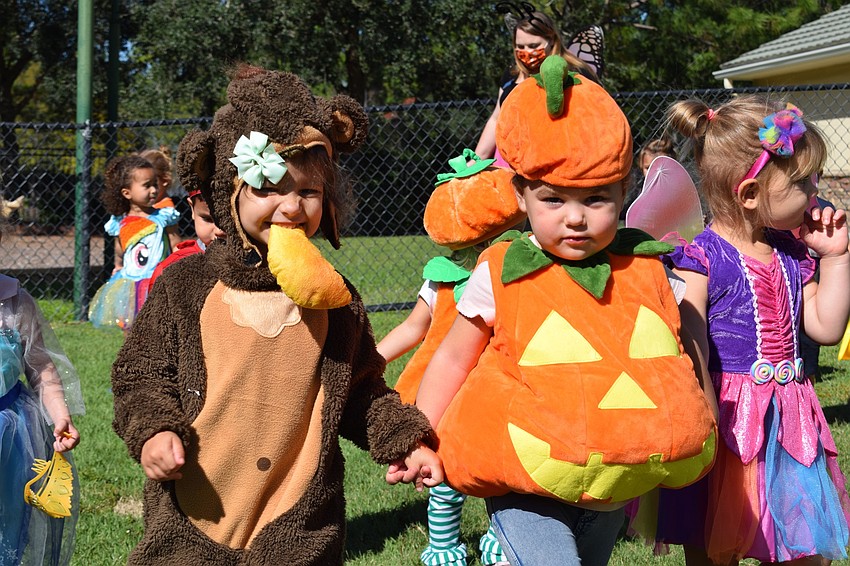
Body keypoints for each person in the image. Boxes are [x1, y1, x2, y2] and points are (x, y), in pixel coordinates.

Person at [110, 64, 442, 565]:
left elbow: (361, 390)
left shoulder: (338, 301)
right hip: (194, 515)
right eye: (267, 187)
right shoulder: (184, 287)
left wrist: (404, 439)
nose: (290, 206)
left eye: (307, 192)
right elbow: (140, 375)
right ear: (229, 195)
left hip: (297, 526)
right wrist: (154, 429)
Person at [416, 56, 717, 566]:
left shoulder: (644, 269)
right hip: (524, 480)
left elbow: (683, 348)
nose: (575, 218)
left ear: (624, 190)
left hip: (613, 477)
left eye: (596, 198)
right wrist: (418, 437)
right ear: (521, 194)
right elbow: (451, 360)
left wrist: (704, 414)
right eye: (553, 199)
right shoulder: (503, 270)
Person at [653, 96, 850, 564]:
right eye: (803, 181)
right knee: (714, 543)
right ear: (749, 194)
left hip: (790, 423)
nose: (816, 189)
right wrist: (700, 409)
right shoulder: (700, 258)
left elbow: (825, 326)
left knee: (803, 544)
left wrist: (837, 256)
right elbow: (690, 341)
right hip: (726, 423)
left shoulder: (791, 252)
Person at [377, 149, 525, 566]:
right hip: (446, 388)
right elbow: (414, 327)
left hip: (498, 385)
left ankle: (503, 537)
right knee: (442, 470)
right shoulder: (441, 276)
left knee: (501, 466)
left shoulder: (516, 265)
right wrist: (370, 359)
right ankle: (444, 544)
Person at [0, 269, 84, 565]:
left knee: (8, 519)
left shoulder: (13, 302)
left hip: (8, 434)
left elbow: (40, 368)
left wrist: (60, 414)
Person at [473, 11, 598, 164]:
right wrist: (475, 162)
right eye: (520, 46)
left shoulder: (576, 72)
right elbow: (496, 118)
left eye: (533, 45)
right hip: (508, 160)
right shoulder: (511, 74)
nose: (527, 51)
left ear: (551, 40)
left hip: (556, 159)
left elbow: (590, 119)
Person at [88, 155, 180, 330]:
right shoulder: (120, 222)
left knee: (158, 324)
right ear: (127, 193)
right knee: (129, 324)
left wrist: (177, 267)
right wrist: (118, 264)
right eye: (147, 185)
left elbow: (176, 244)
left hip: (157, 281)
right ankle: (131, 355)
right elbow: (120, 247)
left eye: (155, 184)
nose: (153, 190)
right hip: (129, 283)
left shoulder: (164, 216)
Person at [148, 187, 225, 288]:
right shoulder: (172, 270)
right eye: (208, 219)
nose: (219, 231)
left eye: (229, 219)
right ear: (192, 208)